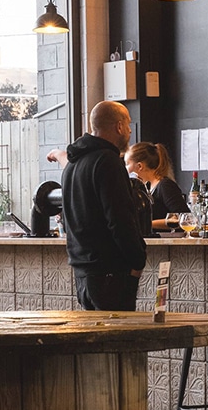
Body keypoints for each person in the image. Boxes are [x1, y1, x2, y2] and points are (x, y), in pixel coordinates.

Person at [61, 100, 148, 310]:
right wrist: (137, 261)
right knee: (119, 339)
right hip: (110, 273)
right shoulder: (108, 161)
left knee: (97, 338)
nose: (129, 131)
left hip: (83, 273)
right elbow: (119, 218)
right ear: (118, 126)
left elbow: (67, 221)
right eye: (127, 125)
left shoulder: (72, 165)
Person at [126, 141, 190, 231]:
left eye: (127, 163)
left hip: (168, 243)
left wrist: (147, 224)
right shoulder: (147, 187)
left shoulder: (165, 185)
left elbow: (185, 218)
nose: (125, 168)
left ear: (140, 166)